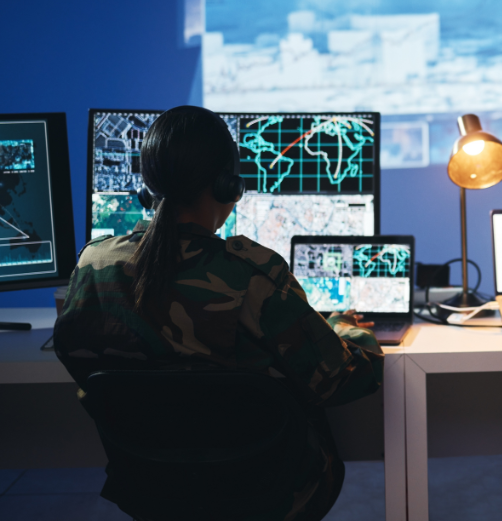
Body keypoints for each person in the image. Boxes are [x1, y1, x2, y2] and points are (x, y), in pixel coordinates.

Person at [53, 106, 383, 521]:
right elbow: (342, 381)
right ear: (229, 185)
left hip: (152, 488)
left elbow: (76, 357)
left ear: (147, 189)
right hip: (264, 492)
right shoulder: (252, 274)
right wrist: (346, 330)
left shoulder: (93, 265)